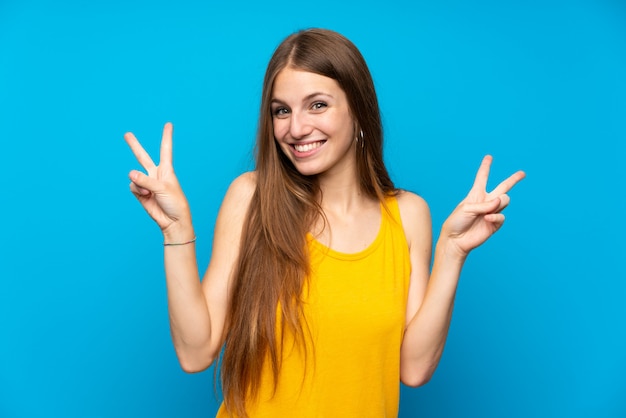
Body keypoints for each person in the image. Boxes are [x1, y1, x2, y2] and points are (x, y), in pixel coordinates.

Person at [124, 28, 525, 418]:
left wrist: (452, 253)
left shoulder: (408, 214)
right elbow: (196, 353)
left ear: (359, 110)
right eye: (282, 110)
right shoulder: (252, 197)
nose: (296, 128)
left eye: (317, 105)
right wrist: (176, 233)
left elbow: (414, 369)